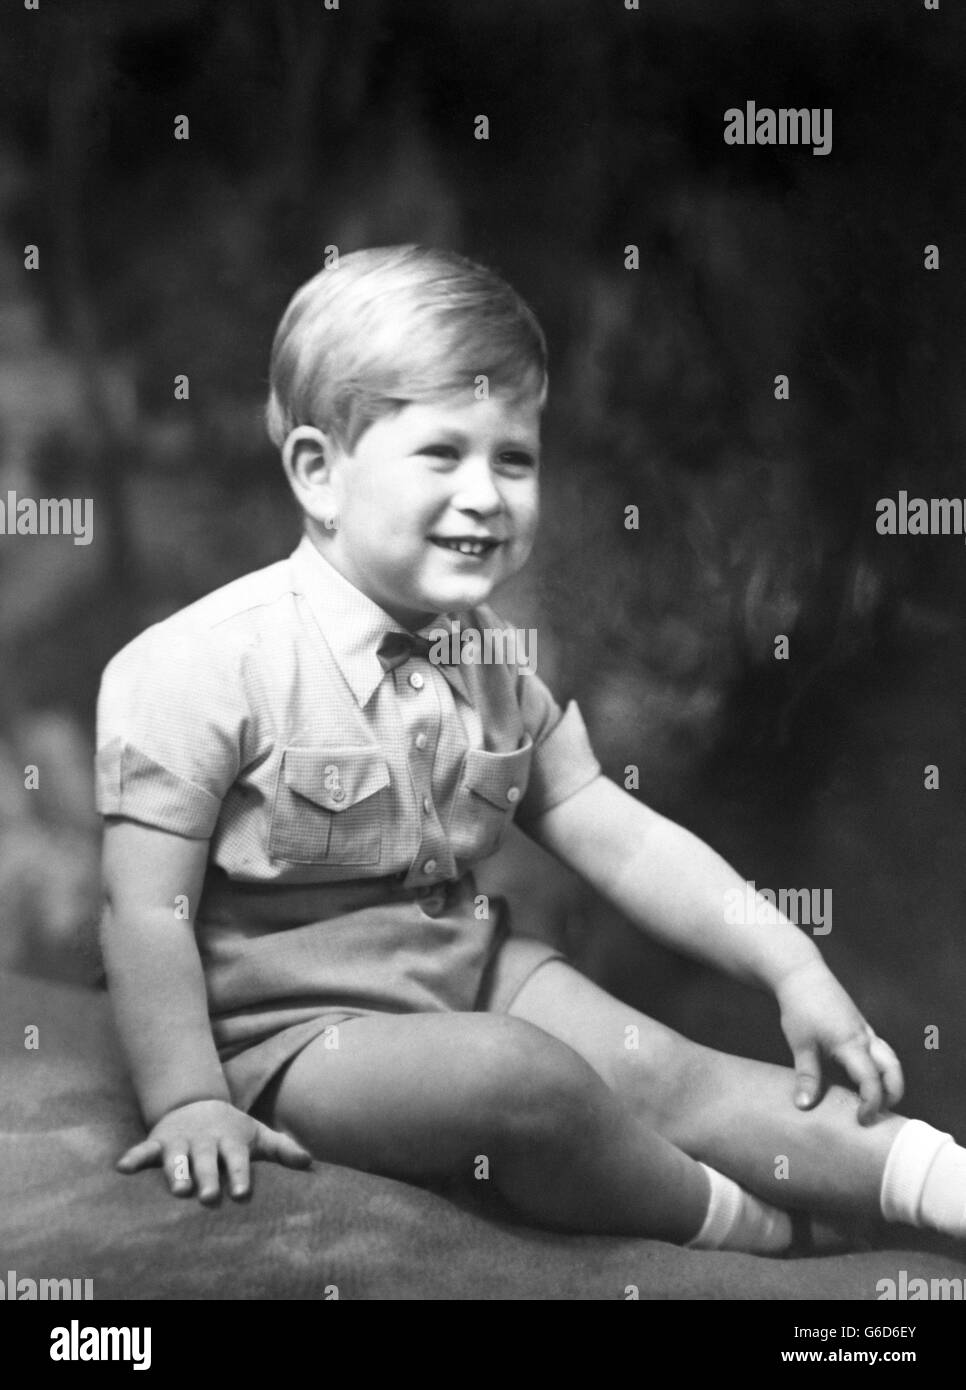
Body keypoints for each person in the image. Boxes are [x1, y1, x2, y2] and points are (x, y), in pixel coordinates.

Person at [95, 245, 966, 1253]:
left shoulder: (492, 658)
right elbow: (141, 909)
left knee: (665, 1068)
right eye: (443, 454)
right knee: (517, 1075)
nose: (488, 493)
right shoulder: (200, 665)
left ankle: (941, 1180)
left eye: (513, 458)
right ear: (318, 471)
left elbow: (620, 835)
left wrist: (790, 964)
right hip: (291, 1036)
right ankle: (750, 1228)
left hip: (467, 967)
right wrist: (189, 1098)